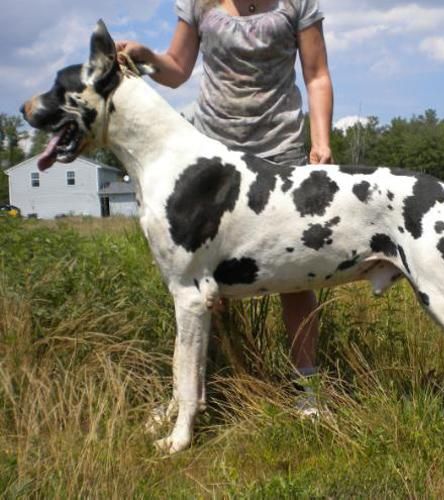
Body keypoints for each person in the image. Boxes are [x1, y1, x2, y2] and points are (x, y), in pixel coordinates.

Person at [116, 0, 333, 413]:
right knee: (206, 281)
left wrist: (321, 142)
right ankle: (209, 389)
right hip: (212, 155)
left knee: (296, 276)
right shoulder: (198, 3)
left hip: (280, 151)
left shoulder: (297, 4)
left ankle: (308, 392)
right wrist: (146, 57)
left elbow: (317, 74)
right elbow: (177, 68)